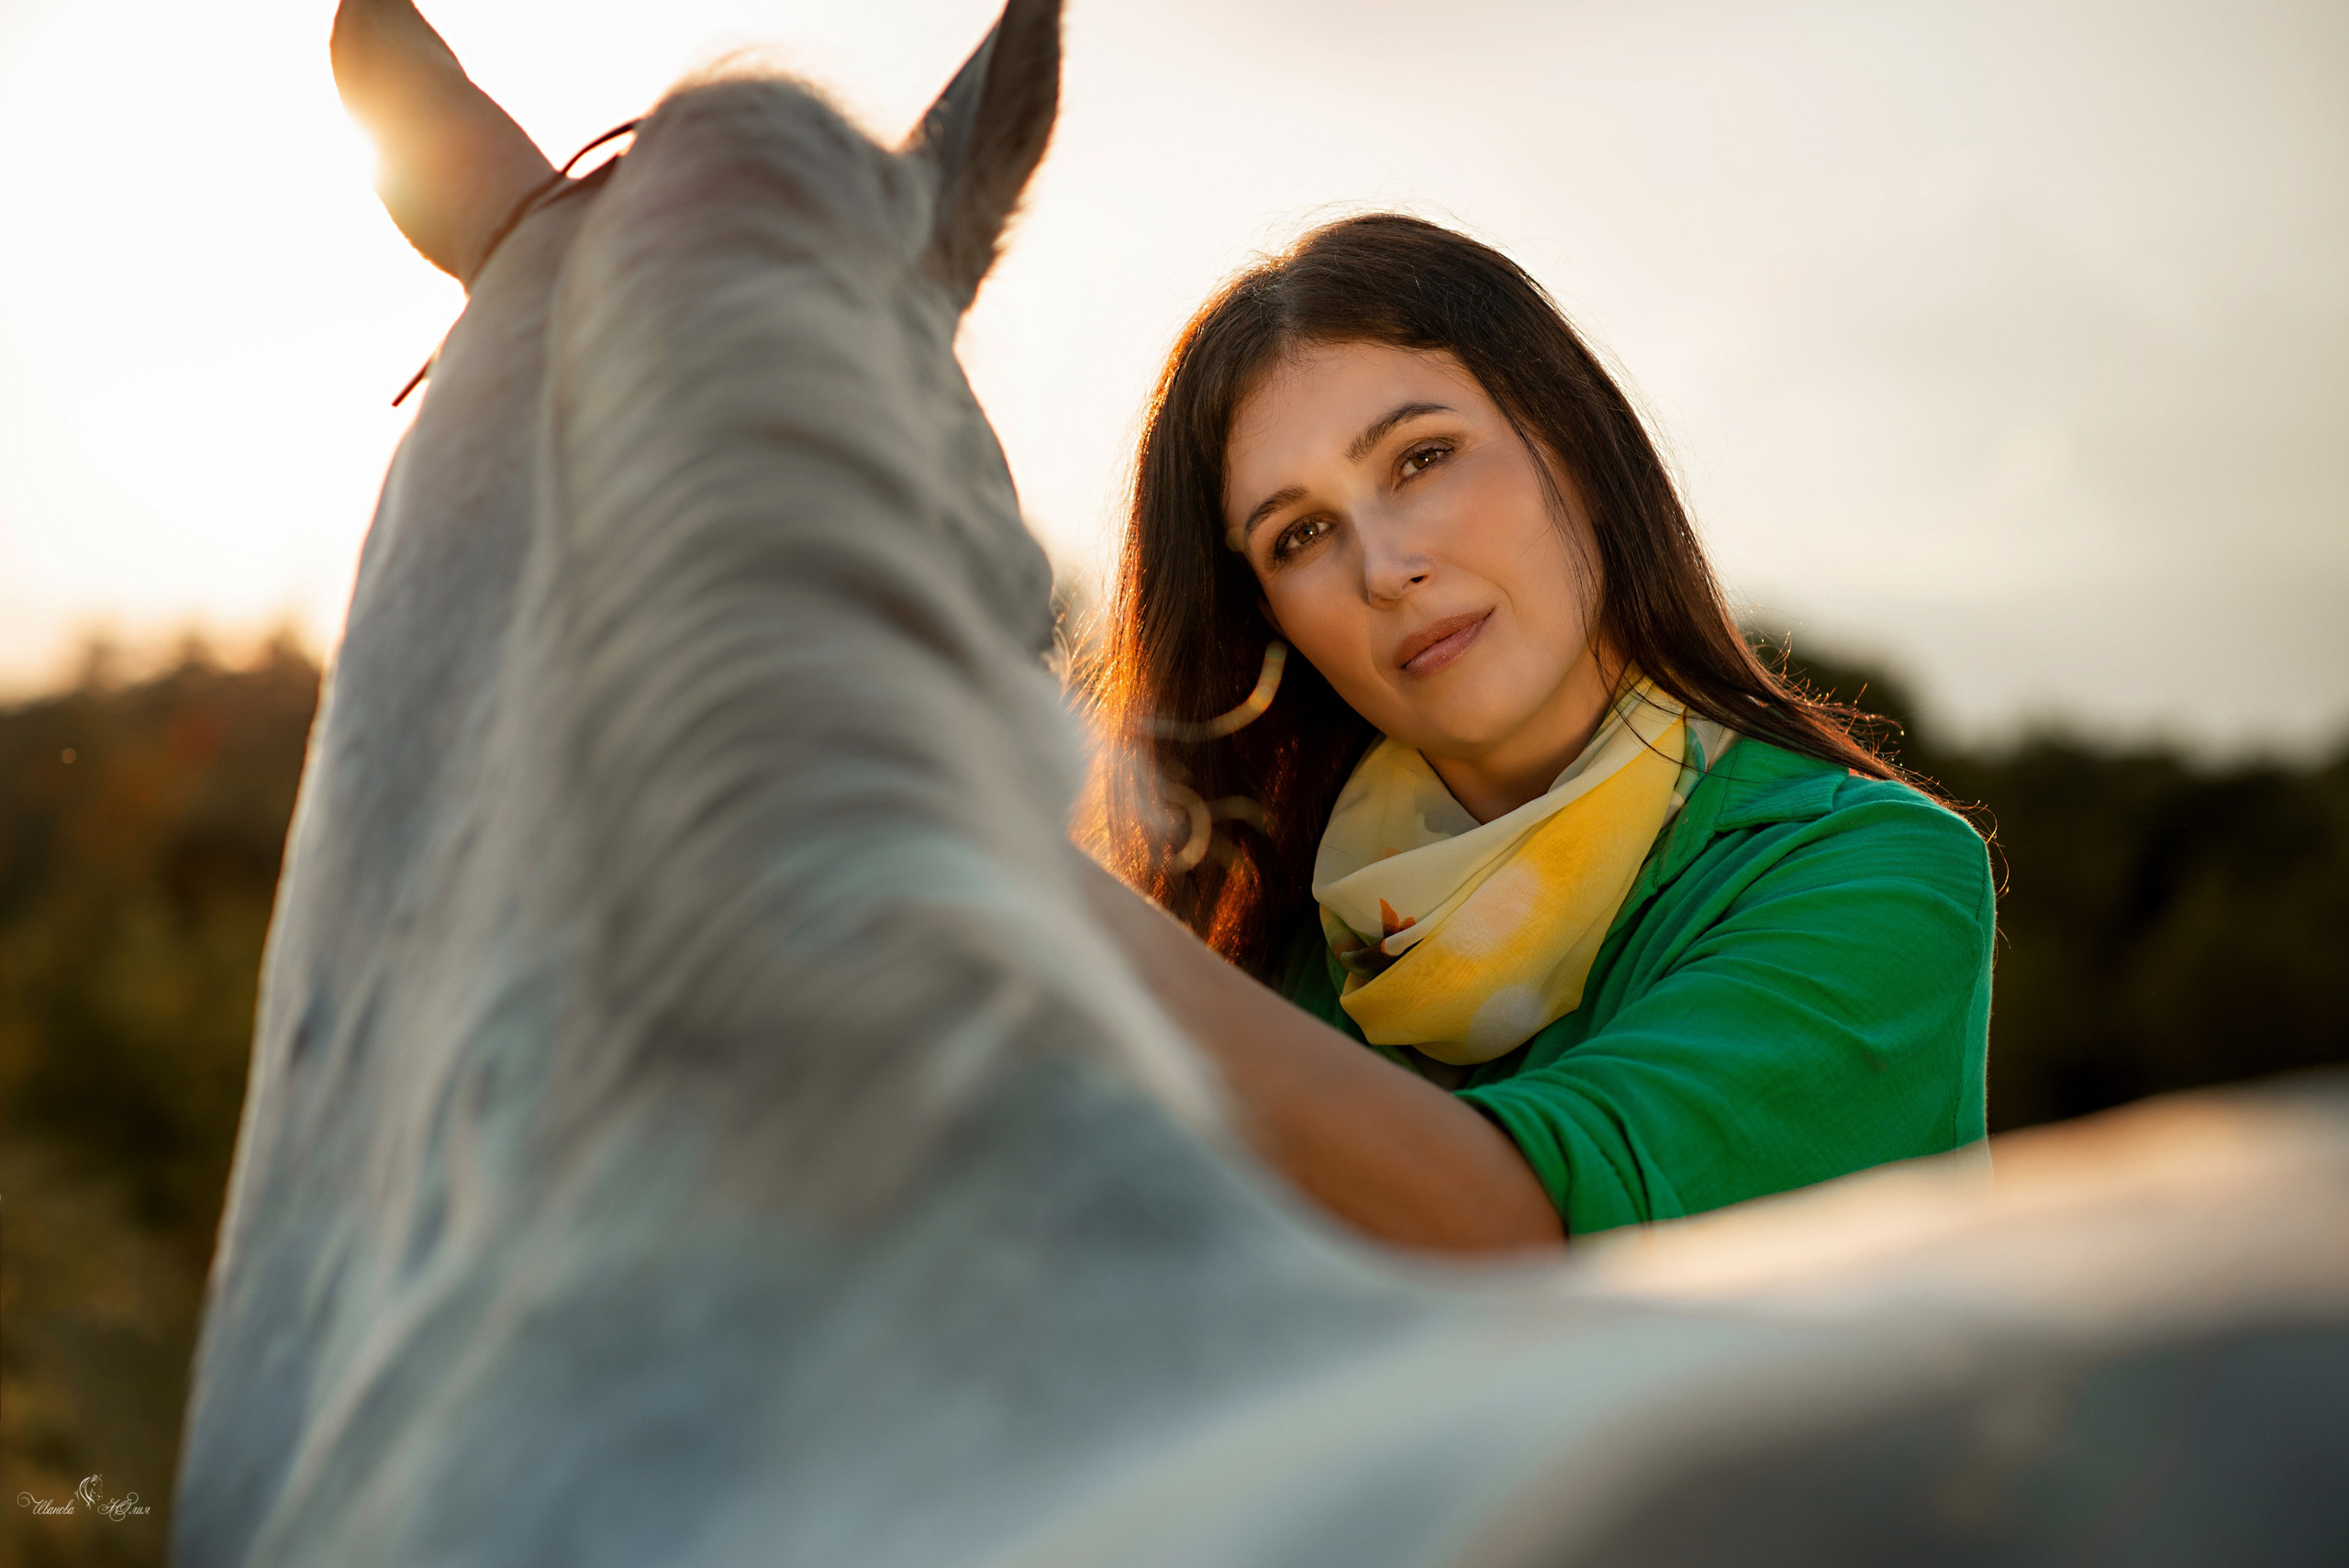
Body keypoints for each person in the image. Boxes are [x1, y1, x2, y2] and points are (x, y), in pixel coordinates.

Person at [1075, 214, 1994, 1256]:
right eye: (1300, 535)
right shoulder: (1262, 962)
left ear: (1572, 441)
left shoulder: (1876, 876)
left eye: (1422, 457)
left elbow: (1536, 1236)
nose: (1384, 568)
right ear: (1269, 626)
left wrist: (1041, 900)